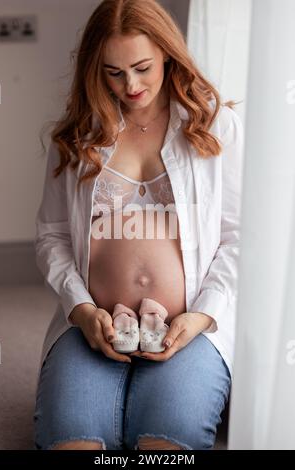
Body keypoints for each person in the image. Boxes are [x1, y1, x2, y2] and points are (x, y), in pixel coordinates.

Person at [33, 0, 243, 451]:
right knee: (73, 445)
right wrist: (83, 311)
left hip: (190, 326)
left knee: (162, 447)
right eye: (113, 72)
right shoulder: (75, 136)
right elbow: (51, 236)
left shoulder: (214, 126)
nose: (130, 85)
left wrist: (201, 314)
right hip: (92, 325)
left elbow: (239, 236)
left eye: (143, 67)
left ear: (168, 52)